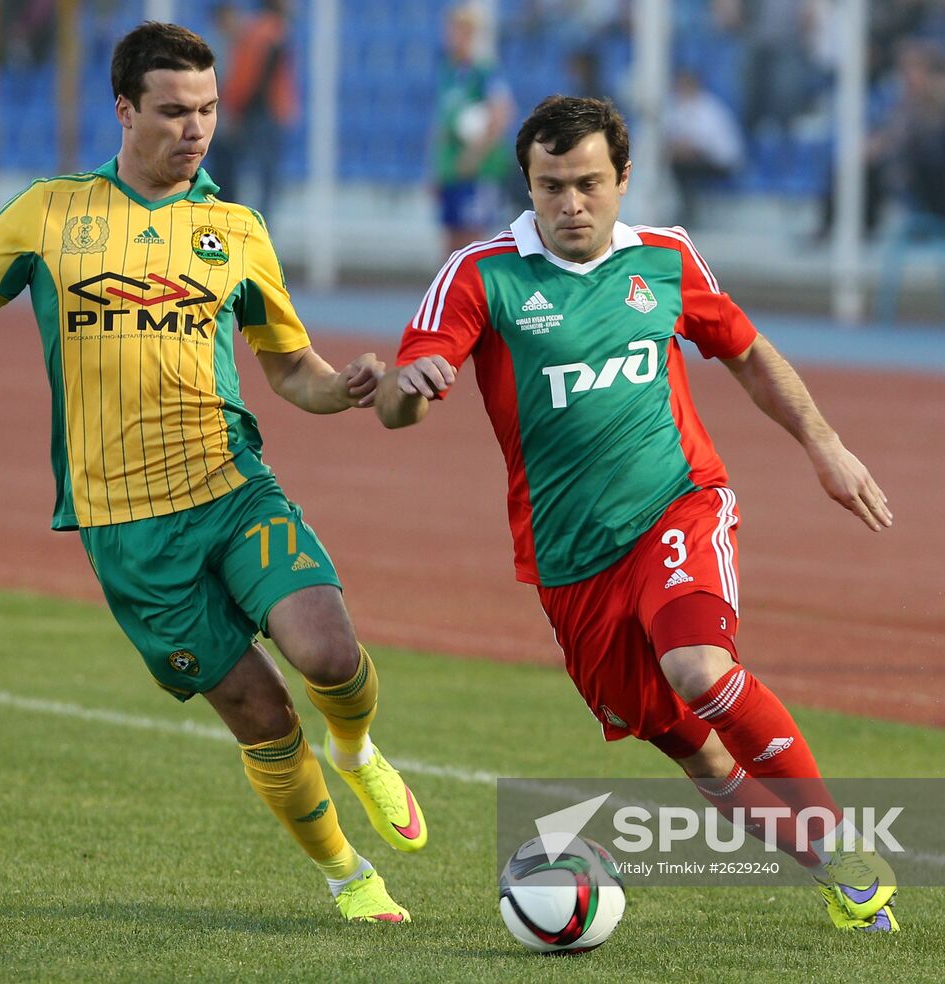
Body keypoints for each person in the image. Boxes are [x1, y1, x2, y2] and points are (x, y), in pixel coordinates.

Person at [0, 21, 423, 925]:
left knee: (330, 654)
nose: (195, 129)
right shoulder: (46, 214)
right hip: (127, 531)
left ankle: (356, 749)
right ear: (124, 109)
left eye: (207, 109)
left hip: (233, 487)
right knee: (262, 715)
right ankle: (349, 875)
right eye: (173, 111)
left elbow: (289, 368)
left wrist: (346, 388)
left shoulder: (236, 229)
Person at [377, 96, 898, 933]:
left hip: (677, 504)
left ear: (624, 179)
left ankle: (841, 842)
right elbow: (407, 392)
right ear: (529, 185)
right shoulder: (480, 274)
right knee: (691, 745)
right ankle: (835, 876)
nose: (570, 205)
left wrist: (824, 445)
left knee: (698, 668)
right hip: (569, 561)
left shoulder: (665, 259)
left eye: (588, 184)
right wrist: (410, 392)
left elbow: (748, 354)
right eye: (551, 187)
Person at [430, 3, 515, 254]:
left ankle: (474, 294)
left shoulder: (484, 71)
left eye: (457, 30)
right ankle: (451, 292)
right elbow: (442, 123)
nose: (451, 36)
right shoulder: (447, 71)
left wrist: (474, 155)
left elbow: (501, 115)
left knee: (473, 240)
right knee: (450, 240)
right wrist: (435, 168)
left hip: (478, 172)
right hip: (450, 170)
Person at [214, 0, 296, 217]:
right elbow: (248, 78)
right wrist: (237, 110)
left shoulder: (262, 30)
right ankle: (258, 230)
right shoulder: (267, 32)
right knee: (262, 178)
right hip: (262, 115)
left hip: (263, 114)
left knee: (258, 178)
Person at [664, 69, 745, 229]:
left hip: (722, 162)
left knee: (680, 167)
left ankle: (688, 213)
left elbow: (699, 147)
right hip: (701, 160)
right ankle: (684, 210)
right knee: (677, 165)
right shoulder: (678, 108)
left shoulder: (708, 109)